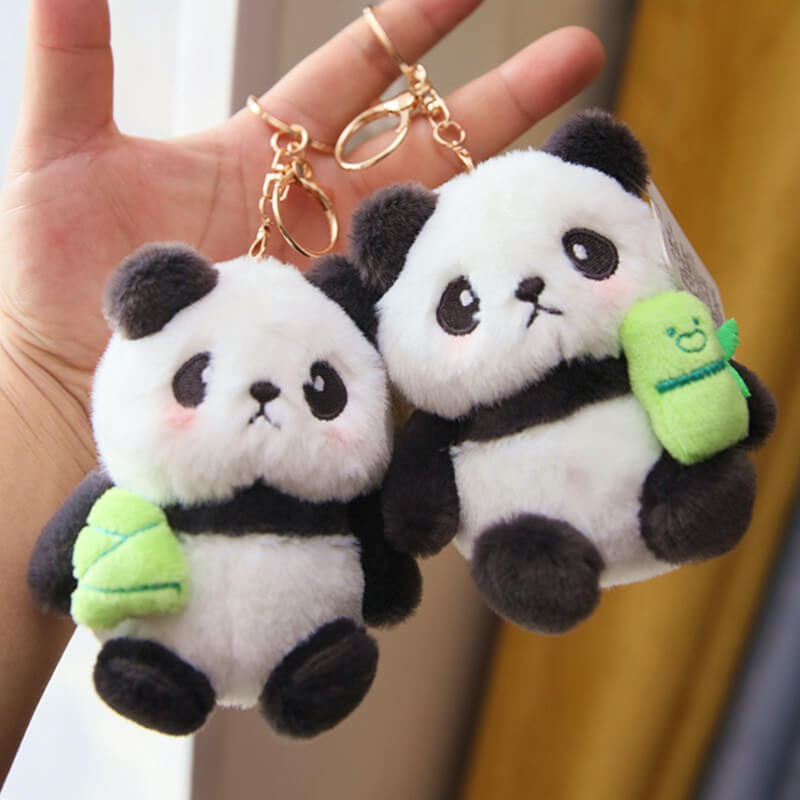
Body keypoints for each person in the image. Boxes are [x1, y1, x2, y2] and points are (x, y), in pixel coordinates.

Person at [0, 0, 604, 783]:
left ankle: (307, 668)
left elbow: (385, 562)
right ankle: (166, 668)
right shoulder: (141, 473)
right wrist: (41, 384)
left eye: (325, 391)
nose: (263, 402)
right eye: (197, 380)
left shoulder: (336, 429)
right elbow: (58, 559)